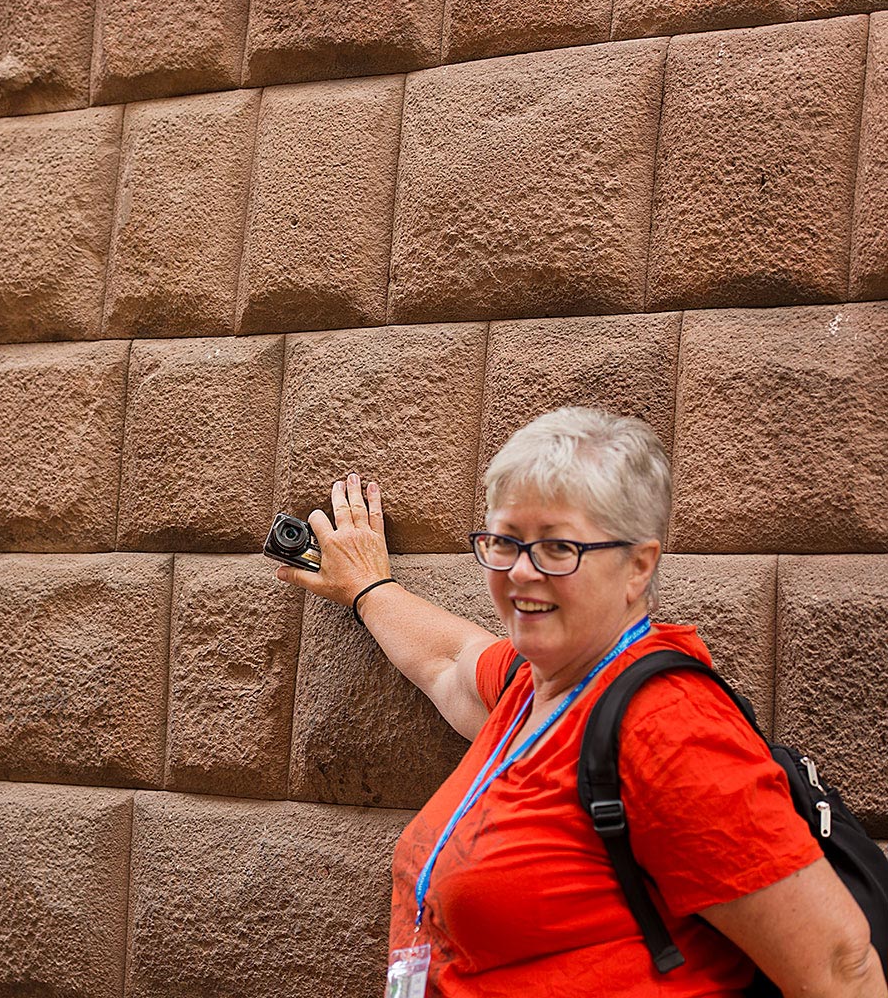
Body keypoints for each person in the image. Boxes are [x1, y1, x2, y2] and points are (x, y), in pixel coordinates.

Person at [273, 407, 885, 997]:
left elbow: (842, 969)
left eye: (558, 548)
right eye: (505, 541)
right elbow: (449, 662)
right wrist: (368, 586)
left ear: (638, 566)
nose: (521, 572)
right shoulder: (538, 683)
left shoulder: (668, 727)